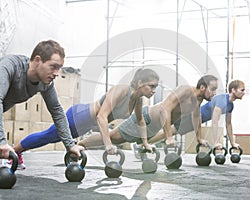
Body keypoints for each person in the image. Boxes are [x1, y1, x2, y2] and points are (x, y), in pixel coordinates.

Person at [12, 68, 159, 168]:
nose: (153, 91)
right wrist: (107, 145)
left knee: (52, 137)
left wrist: (145, 144)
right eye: (151, 86)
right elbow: (102, 116)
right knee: (48, 137)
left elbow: (140, 121)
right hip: (78, 117)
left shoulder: (138, 100)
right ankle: (13, 152)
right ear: (140, 83)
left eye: (155, 87)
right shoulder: (121, 90)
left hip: (85, 125)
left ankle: (16, 152)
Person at [0, 40, 84, 167]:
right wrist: (1, 141)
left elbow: (57, 112)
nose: (56, 73)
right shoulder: (9, 66)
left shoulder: (46, 84)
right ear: (38, 60)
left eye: (59, 68)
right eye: (53, 66)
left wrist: (70, 145)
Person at [77, 75, 218, 150]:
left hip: (153, 127)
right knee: (113, 137)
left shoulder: (198, 101)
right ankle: (80, 144)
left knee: (121, 139)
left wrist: (200, 139)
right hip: (146, 118)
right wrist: (168, 137)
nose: (214, 93)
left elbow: (196, 118)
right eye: (212, 89)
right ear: (202, 87)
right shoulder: (186, 90)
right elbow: (164, 109)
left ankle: (142, 145)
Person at [148, 79, 246, 149]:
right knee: (171, 131)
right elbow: (215, 122)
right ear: (233, 90)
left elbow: (228, 124)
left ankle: (147, 141)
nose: (244, 92)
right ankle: (144, 143)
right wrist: (216, 142)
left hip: (198, 119)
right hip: (191, 118)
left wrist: (233, 143)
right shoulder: (222, 100)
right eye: (242, 90)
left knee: (171, 132)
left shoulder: (230, 106)